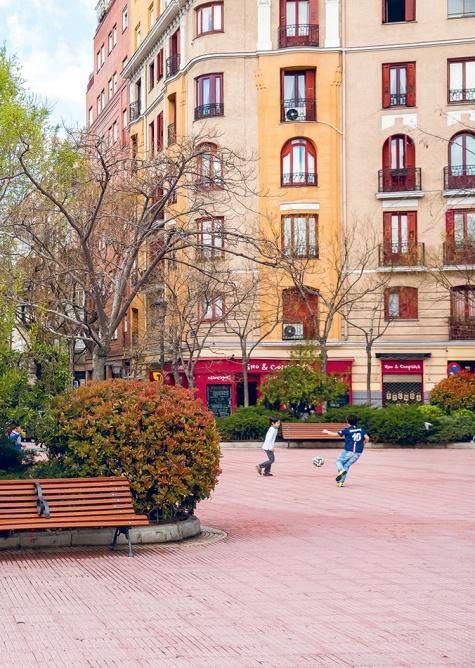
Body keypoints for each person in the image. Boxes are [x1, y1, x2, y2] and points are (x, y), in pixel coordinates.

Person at [322, 414, 369, 487]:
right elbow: (367, 438)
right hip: (358, 453)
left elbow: (335, 434)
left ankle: (341, 471)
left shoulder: (347, 430)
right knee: (346, 465)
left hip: (348, 451)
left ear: (347, 422)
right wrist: (364, 443)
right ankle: (340, 482)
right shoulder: (361, 429)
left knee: (339, 461)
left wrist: (326, 431)